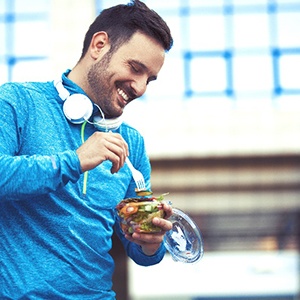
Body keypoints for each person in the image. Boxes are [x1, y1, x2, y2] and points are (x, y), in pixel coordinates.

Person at [0, 0, 173, 298]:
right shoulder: (18, 102)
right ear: (99, 45)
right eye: (135, 68)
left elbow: (137, 247)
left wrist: (150, 243)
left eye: (150, 79)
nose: (141, 88)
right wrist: (75, 161)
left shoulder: (132, 143)